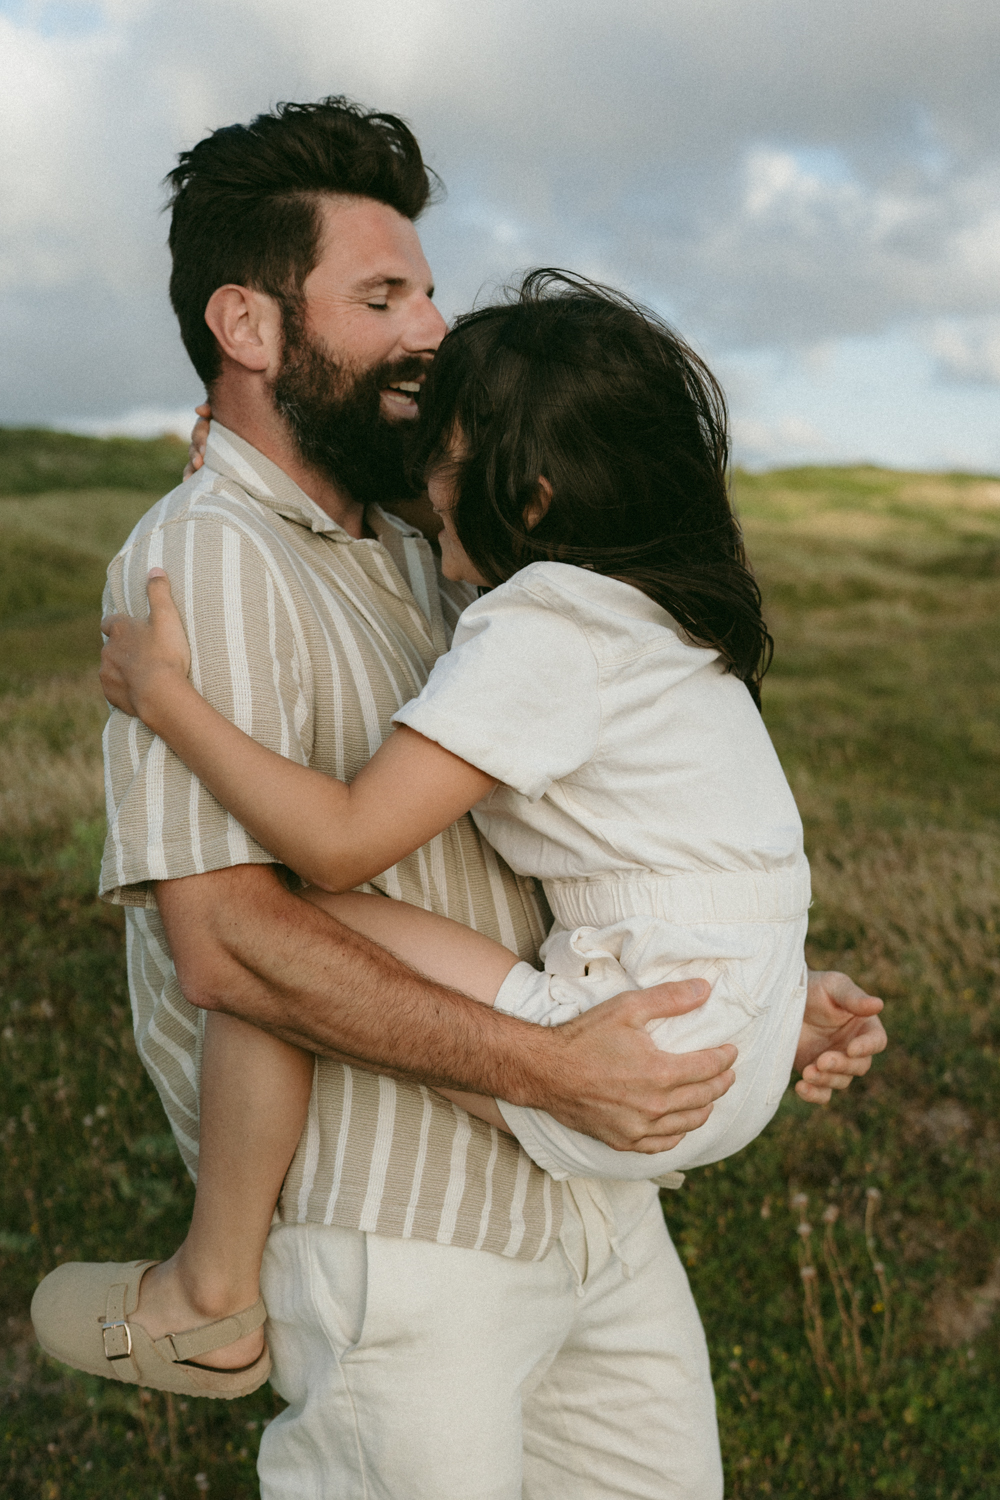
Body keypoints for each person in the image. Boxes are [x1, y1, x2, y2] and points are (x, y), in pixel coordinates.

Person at [31, 99, 885, 1500]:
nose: (429, 330)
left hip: (591, 1198)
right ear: (248, 329)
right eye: (381, 297)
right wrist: (554, 1068)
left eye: (426, 289)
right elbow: (230, 940)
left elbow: (593, 824)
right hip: (411, 1241)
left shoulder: (440, 548)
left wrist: (748, 995)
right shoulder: (217, 562)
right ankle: (210, 1295)